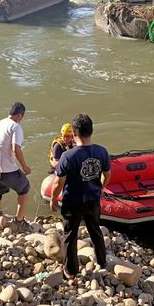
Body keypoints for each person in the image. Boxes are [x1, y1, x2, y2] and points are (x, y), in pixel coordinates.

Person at [50, 113, 111, 279]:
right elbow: (107, 174)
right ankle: (102, 261)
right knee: (95, 230)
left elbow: (58, 182)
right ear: (91, 131)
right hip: (92, 199)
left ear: (74, 134)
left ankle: (70, 270)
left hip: (73, 201)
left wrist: (54, 199)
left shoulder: (67, 156)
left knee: (70, 235)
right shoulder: (102, 152)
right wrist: (101, 187)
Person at [0, 102, 31, 231]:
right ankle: (19, 220)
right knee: (25, 187)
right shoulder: (15, 127)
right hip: (8, 170)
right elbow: (16, 148)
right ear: (20, 115)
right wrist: (24, 166)